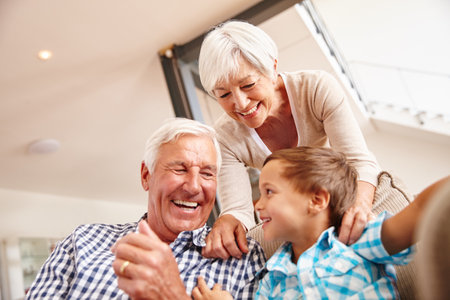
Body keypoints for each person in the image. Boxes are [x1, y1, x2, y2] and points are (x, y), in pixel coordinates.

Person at [198, 20, 382, 259]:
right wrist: (227, 221)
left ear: (273, 69)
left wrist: (359, 207)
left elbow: (359, 162)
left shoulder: (316, 88)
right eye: (223, 94)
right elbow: (239, 210)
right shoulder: (224, 137)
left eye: (249, 85)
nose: (240, 104)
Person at [25, 118, 266, 300]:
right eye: (179, 169)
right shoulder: (83, 242)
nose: (193, 187)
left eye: (206, 173)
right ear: (146, 176)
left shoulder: (242, 257)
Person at [191, 146, 449, 299]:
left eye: (269, 192)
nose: (258, 205)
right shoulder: (273, 277)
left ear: (317, 200)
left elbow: (423, 208)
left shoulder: (357, 241)